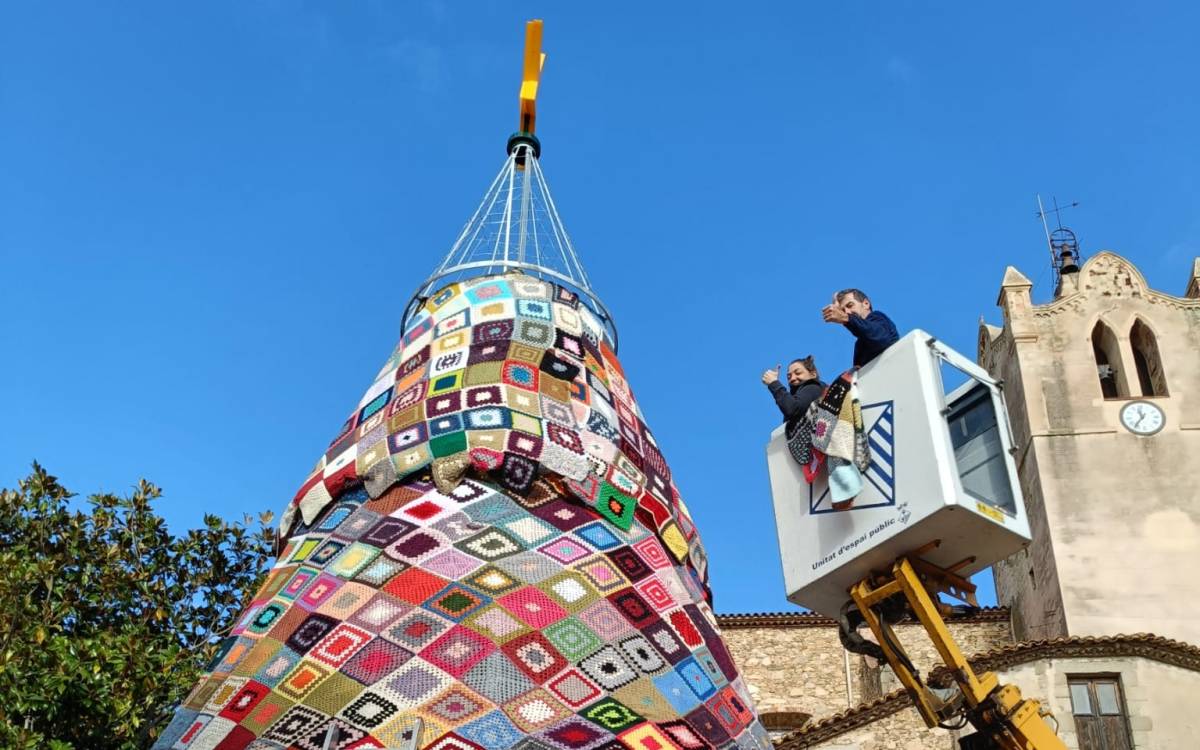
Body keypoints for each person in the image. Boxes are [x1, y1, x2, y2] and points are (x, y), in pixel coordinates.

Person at [821, 288, 899, 367]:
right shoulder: (860, 344)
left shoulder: (877, 317)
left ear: (866, 303)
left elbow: (880, 339)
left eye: (850, 305)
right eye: (843, 311)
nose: (847, 312)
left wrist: (847, 318)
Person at [762, 356, 825, 434]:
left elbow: (792, 408)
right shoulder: (800, 399)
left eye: (798, 373)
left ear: (813, 375)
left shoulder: (813, 387)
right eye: (789, 377)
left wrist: (774, 383)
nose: (792, 378)